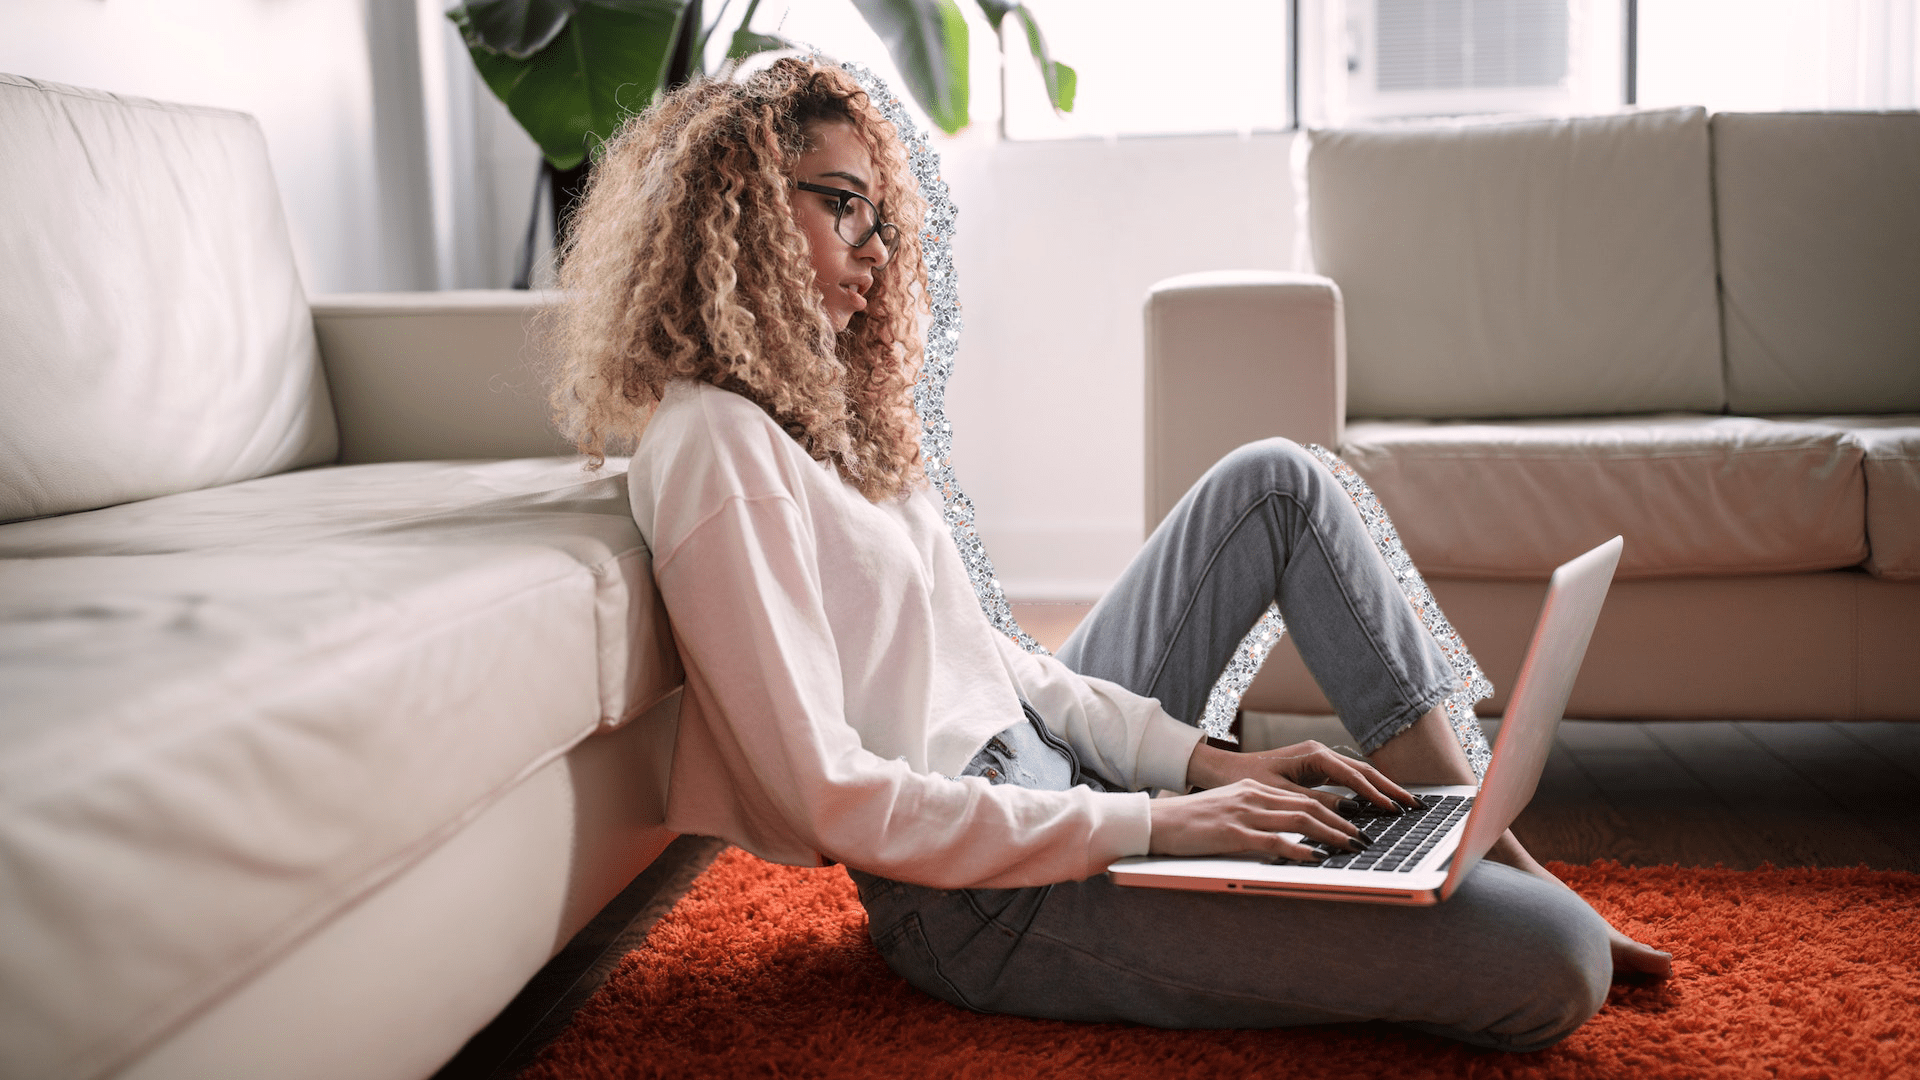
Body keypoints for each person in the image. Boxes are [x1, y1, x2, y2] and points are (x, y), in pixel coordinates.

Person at [548, 57, 1669, 1053]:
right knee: (1556, 963)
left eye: (882, 221)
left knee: (1276, 479)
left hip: (1047, 771)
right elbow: (833, 797)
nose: (874, 253)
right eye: (842, 207)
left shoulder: (823, 415)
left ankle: (1469, 828)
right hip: (980, 898)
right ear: (736, 209)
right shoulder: (715, 446)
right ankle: (1480, 879)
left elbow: (996, 663)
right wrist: (1155, 822)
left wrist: (1199, 765)